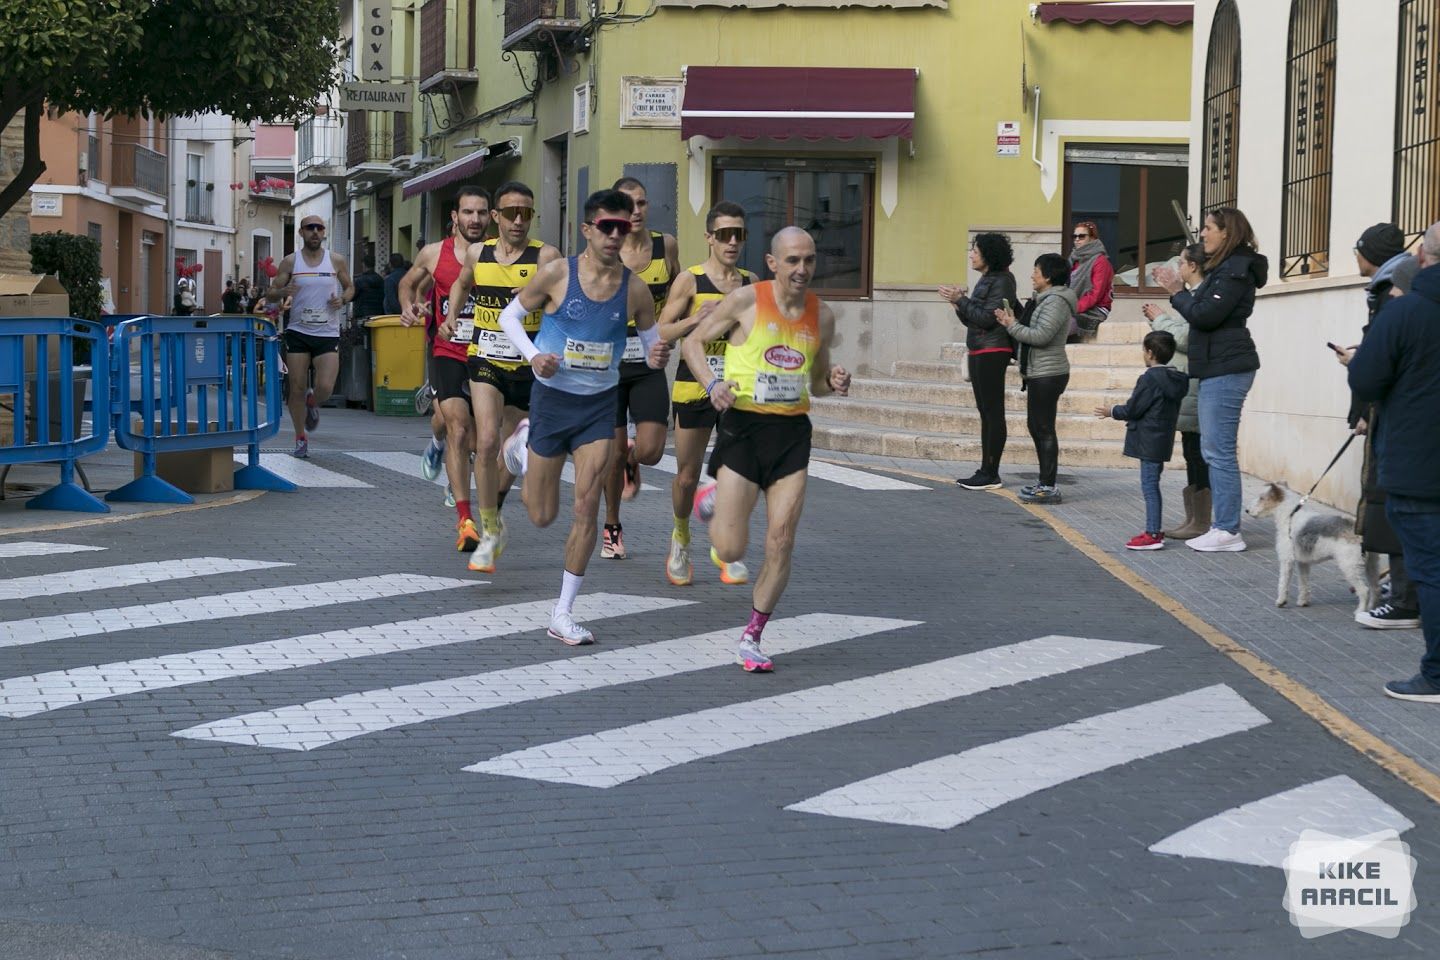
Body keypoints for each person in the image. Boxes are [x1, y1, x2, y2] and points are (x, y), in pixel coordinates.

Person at [498, 189, 671, 645]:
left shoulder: (635, 288)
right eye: (607, 227)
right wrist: (535, 356)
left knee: (587, 504)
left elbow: (652, 351)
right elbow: (509, 318)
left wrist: (658, 353)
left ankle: (563, 611)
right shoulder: (557, 274)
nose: (616, 235)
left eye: (624, 227)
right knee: (540, 515)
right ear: (587, 229)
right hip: (552, 404)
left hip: (599, 408)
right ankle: (522, 443)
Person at [686, 227, 851, 673]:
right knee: (732, 549)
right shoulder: (746, 300)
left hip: (792, 434)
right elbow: (693, 342)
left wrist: (834, 384)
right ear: (773, 262)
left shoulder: (824, 315)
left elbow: (816, 380)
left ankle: (753, 635)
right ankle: (714, 497)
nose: (802, 269)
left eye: (809, 260)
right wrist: (712, 383)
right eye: (793, 260)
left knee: (781, 539)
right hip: (744, 428)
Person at [446, 181, 561, 572]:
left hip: (528, 365)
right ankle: (490, 529)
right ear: (496, 216)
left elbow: (563, 300)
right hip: (485, 358)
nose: (517, 220)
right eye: (510, 212)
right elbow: (462, 285)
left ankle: (496, 508)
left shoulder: (546, 255)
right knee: (488, 439)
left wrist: (537, 294)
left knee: (510, 451)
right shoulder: (479, 252)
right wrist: (449, 319)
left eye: (525, 213)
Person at [1348, 220, 1440, 703]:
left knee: (1430, 570)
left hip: (1421, 465)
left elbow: (1365, 379)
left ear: (1423, 258)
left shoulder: (1405, 314)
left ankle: (1438, 675)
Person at [1154, 207, 1265, 553]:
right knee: (1213, 449)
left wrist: (1177, 292)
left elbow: (1205, 315)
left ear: (1226, 232)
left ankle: (1228, 529)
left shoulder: (1234, 270)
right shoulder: (1224, 269)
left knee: (1219, 451)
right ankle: (1221, 526)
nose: (1203, 234)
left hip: (1227, 366)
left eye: (1208, 228)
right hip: (1217, 365)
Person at [656, 200, 753, 586]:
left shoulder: (750, 282)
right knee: (687, 475)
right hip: (693, 384)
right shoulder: (690, 280)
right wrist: (694, 319)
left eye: (739, 235)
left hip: (736, 387)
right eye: (724, 234)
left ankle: (726, 547)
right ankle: (680, 537)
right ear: (709, 238)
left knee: (735, 472)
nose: (732, 242)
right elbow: (661, 331)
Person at [1334, 223, 1421, 628]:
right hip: (1390, 414)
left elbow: (1386, 365)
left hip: (1398, 419)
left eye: (1358, 249)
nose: (1355, 255)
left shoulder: (1395, 290)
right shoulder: (1388, 288)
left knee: (1390, 501)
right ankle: (1398, 588)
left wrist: (1360, 366)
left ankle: (1404, 597)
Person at [400, 187, 492, 552]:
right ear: (455, 216)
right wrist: (410, 306)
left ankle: (441, 447)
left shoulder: (499, 254)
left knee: (470, 434)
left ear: (490, 217)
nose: (475, 220)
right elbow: (409, 284)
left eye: (481, 213)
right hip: (446, 350)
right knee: (456, 424)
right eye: (468, 212)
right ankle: (466, 521)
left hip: (488, 354)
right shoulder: (434, 253)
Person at [601, 176, 680, 560]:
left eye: (642, 203)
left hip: (648, 362)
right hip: (610, 366)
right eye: (628, 204)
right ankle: (612, 527)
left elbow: (680, 291)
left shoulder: (666, 246)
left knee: (650, 450)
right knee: (611, 455)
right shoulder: (607, 250)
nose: (636, 211)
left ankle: (635, 462)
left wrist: (676, 327)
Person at [265, 216, 355, 458]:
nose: (315, 232)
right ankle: (300, 438)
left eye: (319, 228)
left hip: (327, 332)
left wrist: (343, 299)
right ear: (301, 233)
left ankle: (313, 401)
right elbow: (270, 293)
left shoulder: (335, 260)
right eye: (309, 228)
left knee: (326, 386)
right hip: (298, 331)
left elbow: (350, 286)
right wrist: (283, 291)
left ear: (324, 232)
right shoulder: (290, 262)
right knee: (296, 387)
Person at [993, 252, 1074, 504]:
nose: (1032, 275)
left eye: (1036, 271)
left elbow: (1041, 336)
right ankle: (1044, 481)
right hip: (1040, 372)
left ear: (1048, 276)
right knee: (1037, 426)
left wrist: (1011, 325)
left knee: (1044, 428)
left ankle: (1048, 486)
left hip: (1049, 373)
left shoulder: (1056, 302)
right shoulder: (1044, 299)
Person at [1095, 331, 1188, 551]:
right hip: (1162, 437)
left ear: (1150, 352)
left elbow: (1134, 408)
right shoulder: (1177, 378)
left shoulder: (1149, 378)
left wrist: (1112, 410)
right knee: (1152, 484)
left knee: (1149, 487)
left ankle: (1153, 533)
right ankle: (1153, 529)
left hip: (1148, 439)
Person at [940, 233, 1017, 490]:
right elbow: (973, 320)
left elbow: (986, 319)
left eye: (975, 250)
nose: (971, 255)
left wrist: (961, 300)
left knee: (993, 412)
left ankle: (990, 472)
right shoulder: (987, 279)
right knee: (985, 412)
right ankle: (985, 469)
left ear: (989, 254)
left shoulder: (1003, 280)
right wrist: (957, 305)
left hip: (992, 351)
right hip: (979, 349)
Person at [1144, 242, 1209, 540]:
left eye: (1181, 263)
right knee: (1190, 452)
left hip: (1196, 384)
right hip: (1187, 384)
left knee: (1198, 454)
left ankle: (1202, 521)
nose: (1177, 269)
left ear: (1193, 267)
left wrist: (1160, 318)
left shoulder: (1200, 297)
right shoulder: (1191, 297)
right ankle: (1192, 518)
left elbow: (1186, 336)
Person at [1068, 220, 1114, 341]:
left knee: (1060, 325)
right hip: (1073, 307)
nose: (1077, 239)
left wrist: (1072, 307)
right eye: (1074, 236)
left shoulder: (1101, 262)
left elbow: (1095, 294)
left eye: (1081, 236)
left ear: (1093, 238)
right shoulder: (1073, 259)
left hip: (1095, 310)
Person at [352, 253, 386, 321]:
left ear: (364, 264)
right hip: (378, 313)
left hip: (362, 313)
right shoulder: (380, 279)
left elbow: (352, 296)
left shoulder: (360, 280)